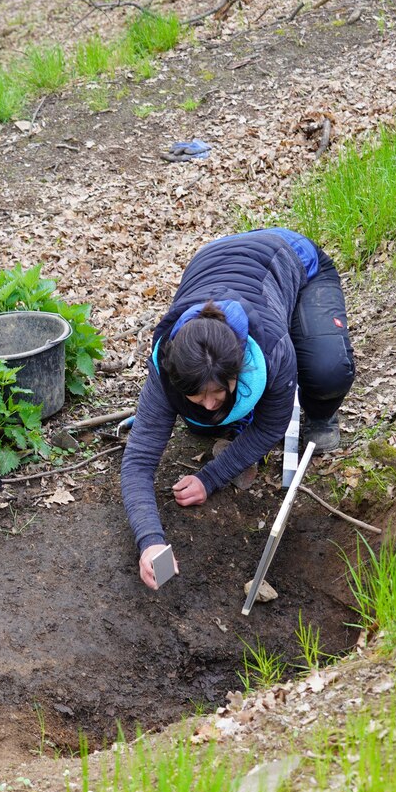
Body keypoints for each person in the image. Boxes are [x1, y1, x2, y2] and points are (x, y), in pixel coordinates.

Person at [120, 227, 356, 590]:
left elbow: (271, 426)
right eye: (198, 396)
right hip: (213, 257)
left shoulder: (271, 349)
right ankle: (219, 407)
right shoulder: (167, 362)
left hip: (291, 258)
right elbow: (138, 461)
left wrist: (211, 477)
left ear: (241, 369)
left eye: (219, 392)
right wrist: (149, 541)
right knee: (206, 423)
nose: (210, 403)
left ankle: (322, 412)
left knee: (326, 371)